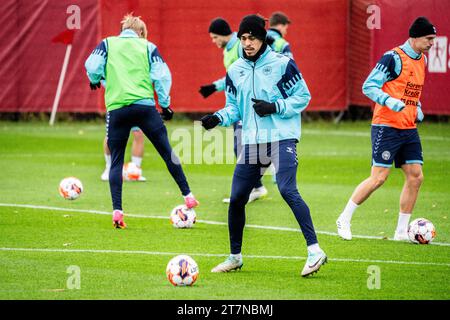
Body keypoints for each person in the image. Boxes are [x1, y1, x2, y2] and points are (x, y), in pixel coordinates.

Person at [201, 14, 327, 277]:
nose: (247, 43)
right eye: (243, 38)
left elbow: (303, 96)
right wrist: (217, 118)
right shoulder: (235, 70)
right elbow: (234, 108)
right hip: (252, 143)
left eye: (252, 38)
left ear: (262, 38)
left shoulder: (283, 64)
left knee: (286, 188)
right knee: (236, 199)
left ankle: (315, 251)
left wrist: (275, 107)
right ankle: (235, 257)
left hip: (282, 136)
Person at [85, 13, 199, 229]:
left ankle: (117, 213)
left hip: (118, 109)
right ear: (140, 32)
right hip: (144, 107)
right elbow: (162, 75)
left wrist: (94, 80)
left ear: (123, 30)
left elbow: (92, 66)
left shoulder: (107, 44)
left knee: (117, 161)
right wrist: (165, 104)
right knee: (167, 152)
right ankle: (188, 195)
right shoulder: (148, 46)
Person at [336, 17, 436, 241]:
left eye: (433, 39)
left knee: (415, 176)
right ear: (415, 36)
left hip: (408, 127)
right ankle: (344, 218)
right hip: (386, 125)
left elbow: (411, 92)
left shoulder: (423, 60)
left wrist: (417, 107)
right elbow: (368, 86)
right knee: (379, 177)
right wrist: (390, 102)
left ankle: (401, 232)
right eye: (428, 38)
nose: (432, 43)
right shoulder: (393, 58)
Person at [199, 17, 268, 203]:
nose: (213, 42)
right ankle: (256, 186)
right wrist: (214, 86)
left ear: (222, 34)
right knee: (240, 145)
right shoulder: (228, 51)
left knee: (242, 145)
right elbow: (233, 76)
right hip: (238, 103)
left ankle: (252, 187)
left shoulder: (239, 46)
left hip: (247, 105)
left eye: (214, 37)